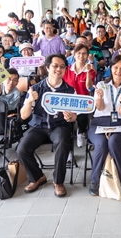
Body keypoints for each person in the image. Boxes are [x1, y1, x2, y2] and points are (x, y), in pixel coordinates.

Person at [16, 54, 78, 197]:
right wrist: (30, 100)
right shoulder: (35, 89)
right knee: (22, 149)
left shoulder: (70, 91)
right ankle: (37, 177)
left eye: (62, 66)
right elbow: (24, 116)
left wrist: (71, 117)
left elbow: (75, 116)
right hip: (38, 126)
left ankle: (58, 181)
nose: (59, 69)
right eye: (55, 66)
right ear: (47, 67)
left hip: (59, 126)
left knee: (63, 144)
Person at [87, 55, 121, 198]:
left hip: (120, 124)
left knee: (114, 142)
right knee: (101, 143)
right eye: (115, 67)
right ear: (110, 69)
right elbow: (100, 107)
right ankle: (95, 181)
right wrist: (100, 97)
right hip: (99, 122)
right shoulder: (101, 85)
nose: (118, 71)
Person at [63, 44, 96, 148]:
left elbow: (88, 86)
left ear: (87, 55)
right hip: (68, 101)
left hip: (83, 101)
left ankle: (81, 132)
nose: (81, 56)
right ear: (74, 54)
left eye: (84, 53)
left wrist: (87, 72)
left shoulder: (91, 70)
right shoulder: (67, 69)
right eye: (79, 53)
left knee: (82, 118)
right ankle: (67, 148)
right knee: (65, 123)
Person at [0, 68, 21, 135]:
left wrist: (1, 103)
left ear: (17, 82)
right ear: (3, 80)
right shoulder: (0, 87)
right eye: (9, 79)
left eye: (14, 80)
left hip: (9, 111)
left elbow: (12, 107)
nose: (11, 82)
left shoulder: (17, 93)